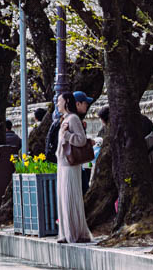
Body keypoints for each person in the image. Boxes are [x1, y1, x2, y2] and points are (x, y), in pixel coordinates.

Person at [56, 92, 92, 244]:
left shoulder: (73, 119)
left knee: (70, 199)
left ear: (66, 102)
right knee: (64, 200)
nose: (57, 104)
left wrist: (66, 135)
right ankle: (66, 233)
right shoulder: (65, 119)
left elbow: (81, 140)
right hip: (63, 165)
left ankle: (75, 233)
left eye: (59, 101)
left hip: (70, 165)